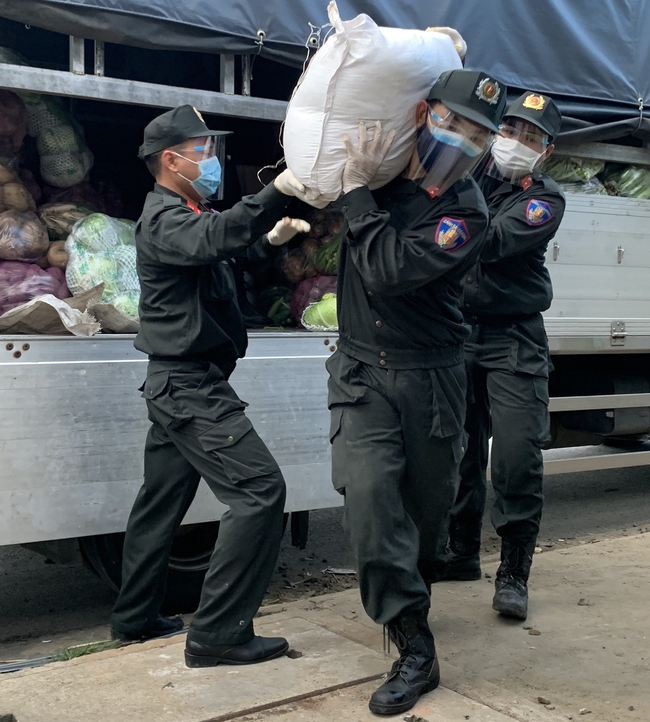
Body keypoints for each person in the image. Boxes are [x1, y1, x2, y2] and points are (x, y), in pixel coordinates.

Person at [325, 70, 506, 716]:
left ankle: (412, 594)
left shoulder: (465, 213)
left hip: (430, 378)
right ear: (424, 112)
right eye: (453, 122)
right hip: (360, 373)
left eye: (478, 134)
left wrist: (352, 195)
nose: (463, 140)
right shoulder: (375, 171)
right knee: (372, 502)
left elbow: (390, 269)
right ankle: (416, 649)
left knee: (424, 525)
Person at [109, 104, 310, 668]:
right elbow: (213, 238)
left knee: (159, 504)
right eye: (204, 150)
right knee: (260, 493)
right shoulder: (165, 218)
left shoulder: (190, 209)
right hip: (190, 385)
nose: (214, 158)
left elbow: (225, 249)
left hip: (180, 382)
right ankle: (219, 634)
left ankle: (135, 617)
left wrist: (269, 241)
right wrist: (276, 192)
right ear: (172, 160)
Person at [442, 92, 566, 621]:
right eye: (511, 128)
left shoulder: (544, 199)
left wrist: (437, 221)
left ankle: (513, 570)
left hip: (513, 337)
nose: (517, 142)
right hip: (455, 332)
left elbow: (485, 240)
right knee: (456, 452)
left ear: (546, 151)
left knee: (514, 456)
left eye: (531, 137)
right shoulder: (464, 171)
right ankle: (460, 552)